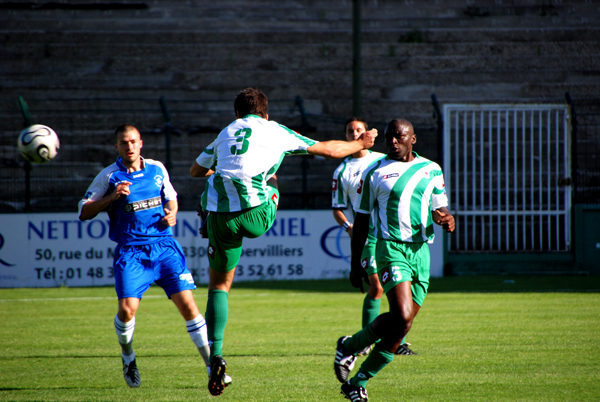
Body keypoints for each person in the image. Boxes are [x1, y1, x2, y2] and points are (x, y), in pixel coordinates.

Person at [190, 87, 377, 396]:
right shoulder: (274, 129)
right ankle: (270, 192)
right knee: (273, 183)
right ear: (265, 113)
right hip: (256, 215)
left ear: (237, 114)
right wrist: (359, 143)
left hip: (220, 216)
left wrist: (221, 168)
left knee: (219, 285)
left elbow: (196, 170)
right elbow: (328, 149)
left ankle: (216, 356)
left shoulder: (226, 131)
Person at [78, 124, 212, 389]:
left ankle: (211, 367)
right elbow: (84, 212)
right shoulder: (109, 176)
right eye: (123, 143)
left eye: (133, 142)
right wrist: (112, 197)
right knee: (127, 311)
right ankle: (128, 356)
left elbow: (171, 198)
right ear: (117, 146)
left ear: (141, 143)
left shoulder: (157, 168)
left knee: (188, 305)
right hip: (131, 252)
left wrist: (172, 212)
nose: (129, 147)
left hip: (164, 247)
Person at [333, 118, 455, 402]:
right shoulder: (375, 171)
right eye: (389, 137)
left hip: (420, 252)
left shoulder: (431, 169)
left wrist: (447, 219)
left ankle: (356, 371)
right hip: (390, 249)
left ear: (413, 139)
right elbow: (361, 222)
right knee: (401, 314)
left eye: (399, 137)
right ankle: (352, 352)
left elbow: (440, 208)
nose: (393, 142)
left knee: (404, 324)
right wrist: (355, 264)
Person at [331, 117, 385, 357]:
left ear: (367, 134)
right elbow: (337, 208)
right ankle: (366, 340)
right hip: (366, 235)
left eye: (358, 130)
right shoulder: (342, 170)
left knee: (396, 287)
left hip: (390, 232)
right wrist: (349, 228)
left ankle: (397, 341)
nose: (354, 134)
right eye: (350, 131)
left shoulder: (383, 161)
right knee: (376, 286)